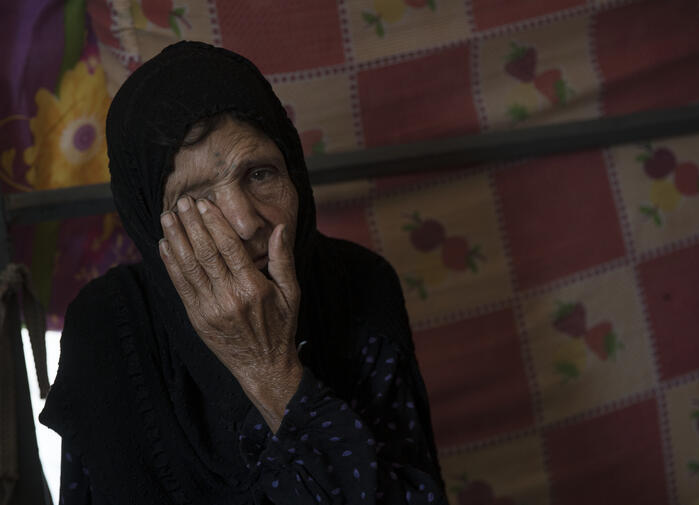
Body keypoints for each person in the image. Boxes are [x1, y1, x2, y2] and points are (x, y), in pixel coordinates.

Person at [40, 41, 447, 504]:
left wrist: (269, 370)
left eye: (259, 174)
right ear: (150, 222)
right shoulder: (107, 325)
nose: (245, 222)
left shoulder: (360, 284)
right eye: (196, 200)